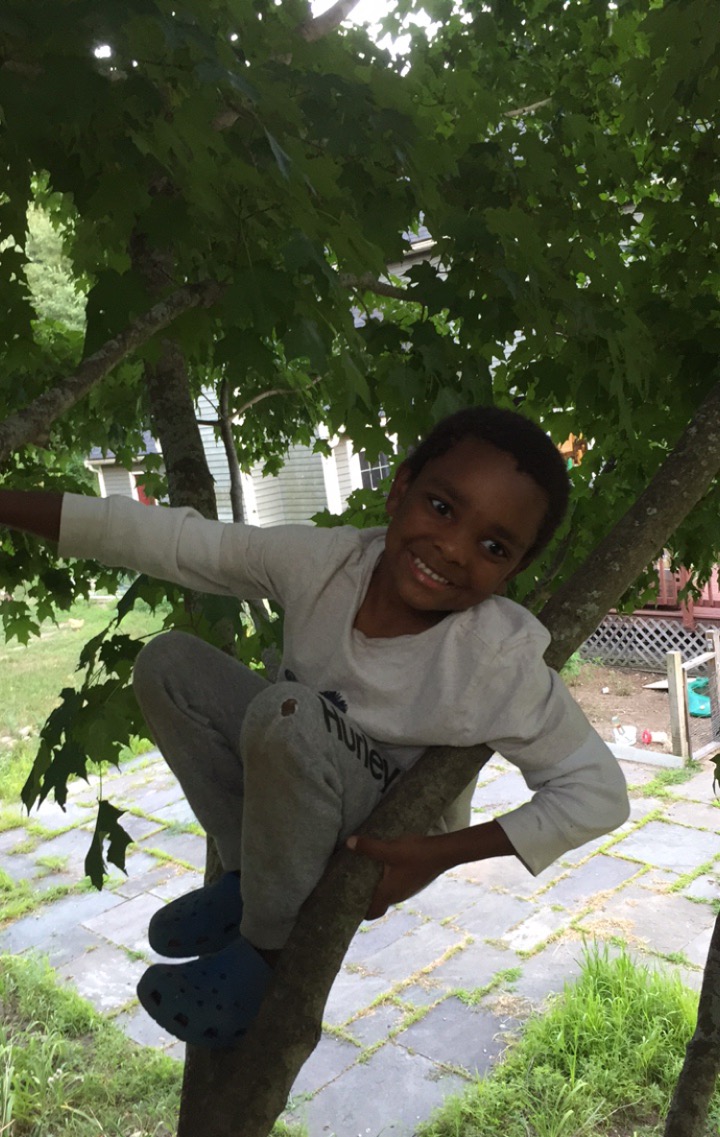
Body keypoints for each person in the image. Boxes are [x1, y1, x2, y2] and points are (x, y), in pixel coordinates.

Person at [0, 407, 629, 1047]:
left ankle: (266, 950)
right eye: (441, 507)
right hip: (294, 763)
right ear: (399, 489)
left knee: (289, 711)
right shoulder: (327, 563)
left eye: (494, 548)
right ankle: (248, 880)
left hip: (383, 829)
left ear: (511, 572)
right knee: (169, 664)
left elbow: (598, 794)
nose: (453, 548)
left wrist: (433, 858)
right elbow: (175, 541)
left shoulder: (493, 659)